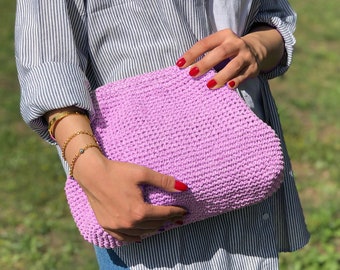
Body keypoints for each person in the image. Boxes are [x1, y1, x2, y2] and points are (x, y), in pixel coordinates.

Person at [15, 1, 310, 269]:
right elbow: (47, 62)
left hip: (245, 167)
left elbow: (271, 16)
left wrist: (257, 46)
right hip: (136, 196)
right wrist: (89, 166)